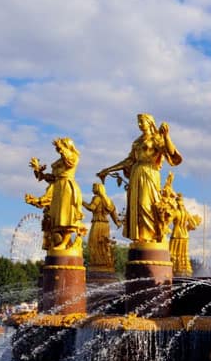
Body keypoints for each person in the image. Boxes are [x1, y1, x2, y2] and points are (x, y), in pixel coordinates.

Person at [98, 114, 182, 243]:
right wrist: (108, 170)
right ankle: (141, 237)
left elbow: (171, 152)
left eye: (142, 122)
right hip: (136, 173)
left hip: (150, 172)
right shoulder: (137, 142)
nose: (139, 125)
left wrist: (166, 136)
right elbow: (128, 161)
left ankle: (153, 235)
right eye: (138, 122)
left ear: (150, 123)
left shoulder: (156, 138)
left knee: (146, 204)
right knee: (135, 206)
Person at [24, 137, 85, 250]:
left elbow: (69, 163)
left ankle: (64, 243)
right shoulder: (59, 161)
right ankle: (65, 244)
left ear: (67, 146)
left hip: (67, 187)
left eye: (60, 146)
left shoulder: (73, 157)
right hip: (57, 189)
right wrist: (38, 170)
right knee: (57, 219)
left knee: (66, 217)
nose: (58, 148)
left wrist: (61, 148)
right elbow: (51, 177)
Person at [83, 182, 120, 269]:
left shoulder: (97, 198)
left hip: (97, 224)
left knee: (94, 243)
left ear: (98, 189)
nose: (92, 189)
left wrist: (81, 202)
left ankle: (97, 263)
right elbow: (114, 214)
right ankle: (105, 262)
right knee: (104, 243)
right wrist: (117, 223)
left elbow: (91, 208)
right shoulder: (109, 201)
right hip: (105, 225)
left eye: (94, 187)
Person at [169, 193, 202, 275]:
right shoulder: (186, 213)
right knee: (183, 253)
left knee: (173, 252)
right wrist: (189, 227)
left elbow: (167, 220)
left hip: (176, 234)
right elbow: (194, 224)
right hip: (185, 234)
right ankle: (184, 269)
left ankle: (174, 268)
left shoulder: (175, 212)